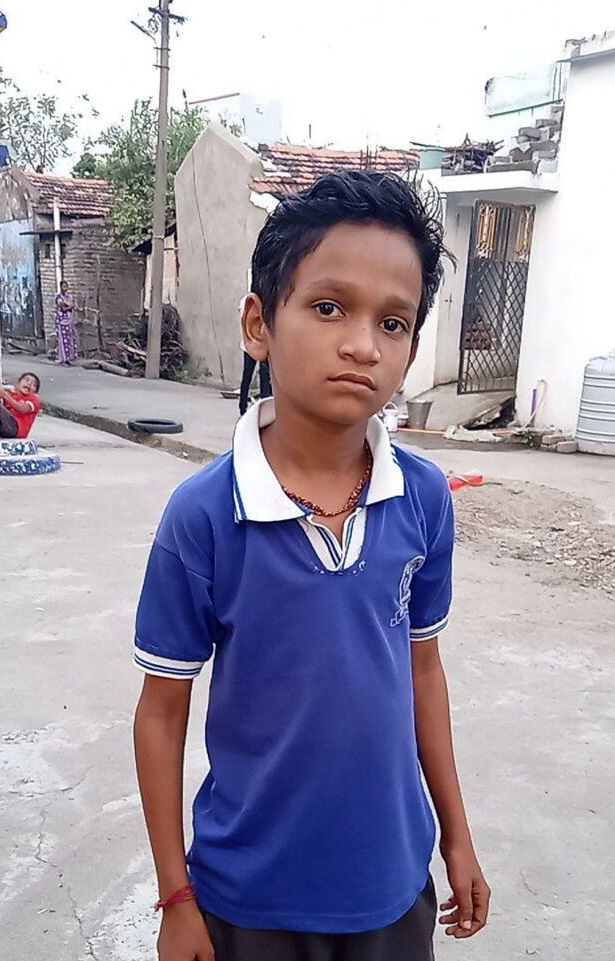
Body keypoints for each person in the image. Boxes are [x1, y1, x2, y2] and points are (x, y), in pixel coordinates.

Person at [133, 170, 490, 961]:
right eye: (329, 307)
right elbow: (160, 714)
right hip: (247, 898)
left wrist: (456, 836)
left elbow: (422, 670)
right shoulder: (203, 517)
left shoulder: (423, 498)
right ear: (259, 324)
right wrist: (175, 896)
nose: (363, 344)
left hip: (391, 889)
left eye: (393, 322)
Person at [0, 372, 41, 439]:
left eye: (34, 385)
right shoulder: (11, 395)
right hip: (1, 427)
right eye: (27, 380)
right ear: (18, 383)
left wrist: (4, 395)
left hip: (16, 429)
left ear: (35, 391)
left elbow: (23, 409)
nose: (29, 384)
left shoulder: (34, 400)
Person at [238, 300, 272, 415]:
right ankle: (262, 406)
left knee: (250, 375)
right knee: (262, 375)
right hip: (253, 344)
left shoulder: (244, 302)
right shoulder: (253, 301)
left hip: (248, 345)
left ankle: (243, 407)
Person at [55, 280, 77, 365]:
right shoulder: (59, 298)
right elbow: (63, 308)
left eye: (66, 287)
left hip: (69, 321)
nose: (65, 288)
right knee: (63, 341)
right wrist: (70, 307)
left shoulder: (68, 297)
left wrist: (70, 306)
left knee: (70, 340)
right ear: (61, 287)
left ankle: (70, 358)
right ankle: (64, 359)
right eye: (64, 286)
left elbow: (70, 306)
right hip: (62, 322)